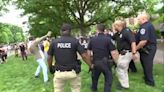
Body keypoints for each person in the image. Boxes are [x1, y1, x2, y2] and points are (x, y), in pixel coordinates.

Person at [48, 23, 93, 92]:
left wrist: (50, 67)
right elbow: (84, 55)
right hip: (73, 72)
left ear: (61, 31)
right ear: (70, 31)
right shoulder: (74, 41)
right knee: (76, 89)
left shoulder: (54, 42)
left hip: (59, 72)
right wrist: (90, 65)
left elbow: (49, 57)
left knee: (58, 90)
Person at [88, 24, 119, 92]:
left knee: (94, 78)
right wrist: (116, 62)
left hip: (96, 62)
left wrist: (90, 63)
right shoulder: (108, 39)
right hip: (105, 62)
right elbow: (113, 52)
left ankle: (94, 88)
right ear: (104, 30)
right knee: (108, 78)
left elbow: (88, 52)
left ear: (97, 30)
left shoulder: (92, 39)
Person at [113, 20, 138, 90]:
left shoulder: (126, 31)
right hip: (123, 53)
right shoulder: (119, 33)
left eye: (115, 26)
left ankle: (123, 85)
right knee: (122, 69)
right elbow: (112, 38)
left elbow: (133, 42)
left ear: (118, 26)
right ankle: (124, 84)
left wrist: (134, 53)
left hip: (126, 53)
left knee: (121, 68)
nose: (114, 27)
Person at [136, 13, 157, 86]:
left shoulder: (145, 27)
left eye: (139, 19)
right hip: (147, 48)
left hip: (148, 48)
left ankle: (150, 82)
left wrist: (135, 49)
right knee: (144, 63)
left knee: (147, 64)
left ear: (144, 19)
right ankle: (146, 78)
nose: (138, 20)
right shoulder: (147, 26)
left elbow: (143, 41)